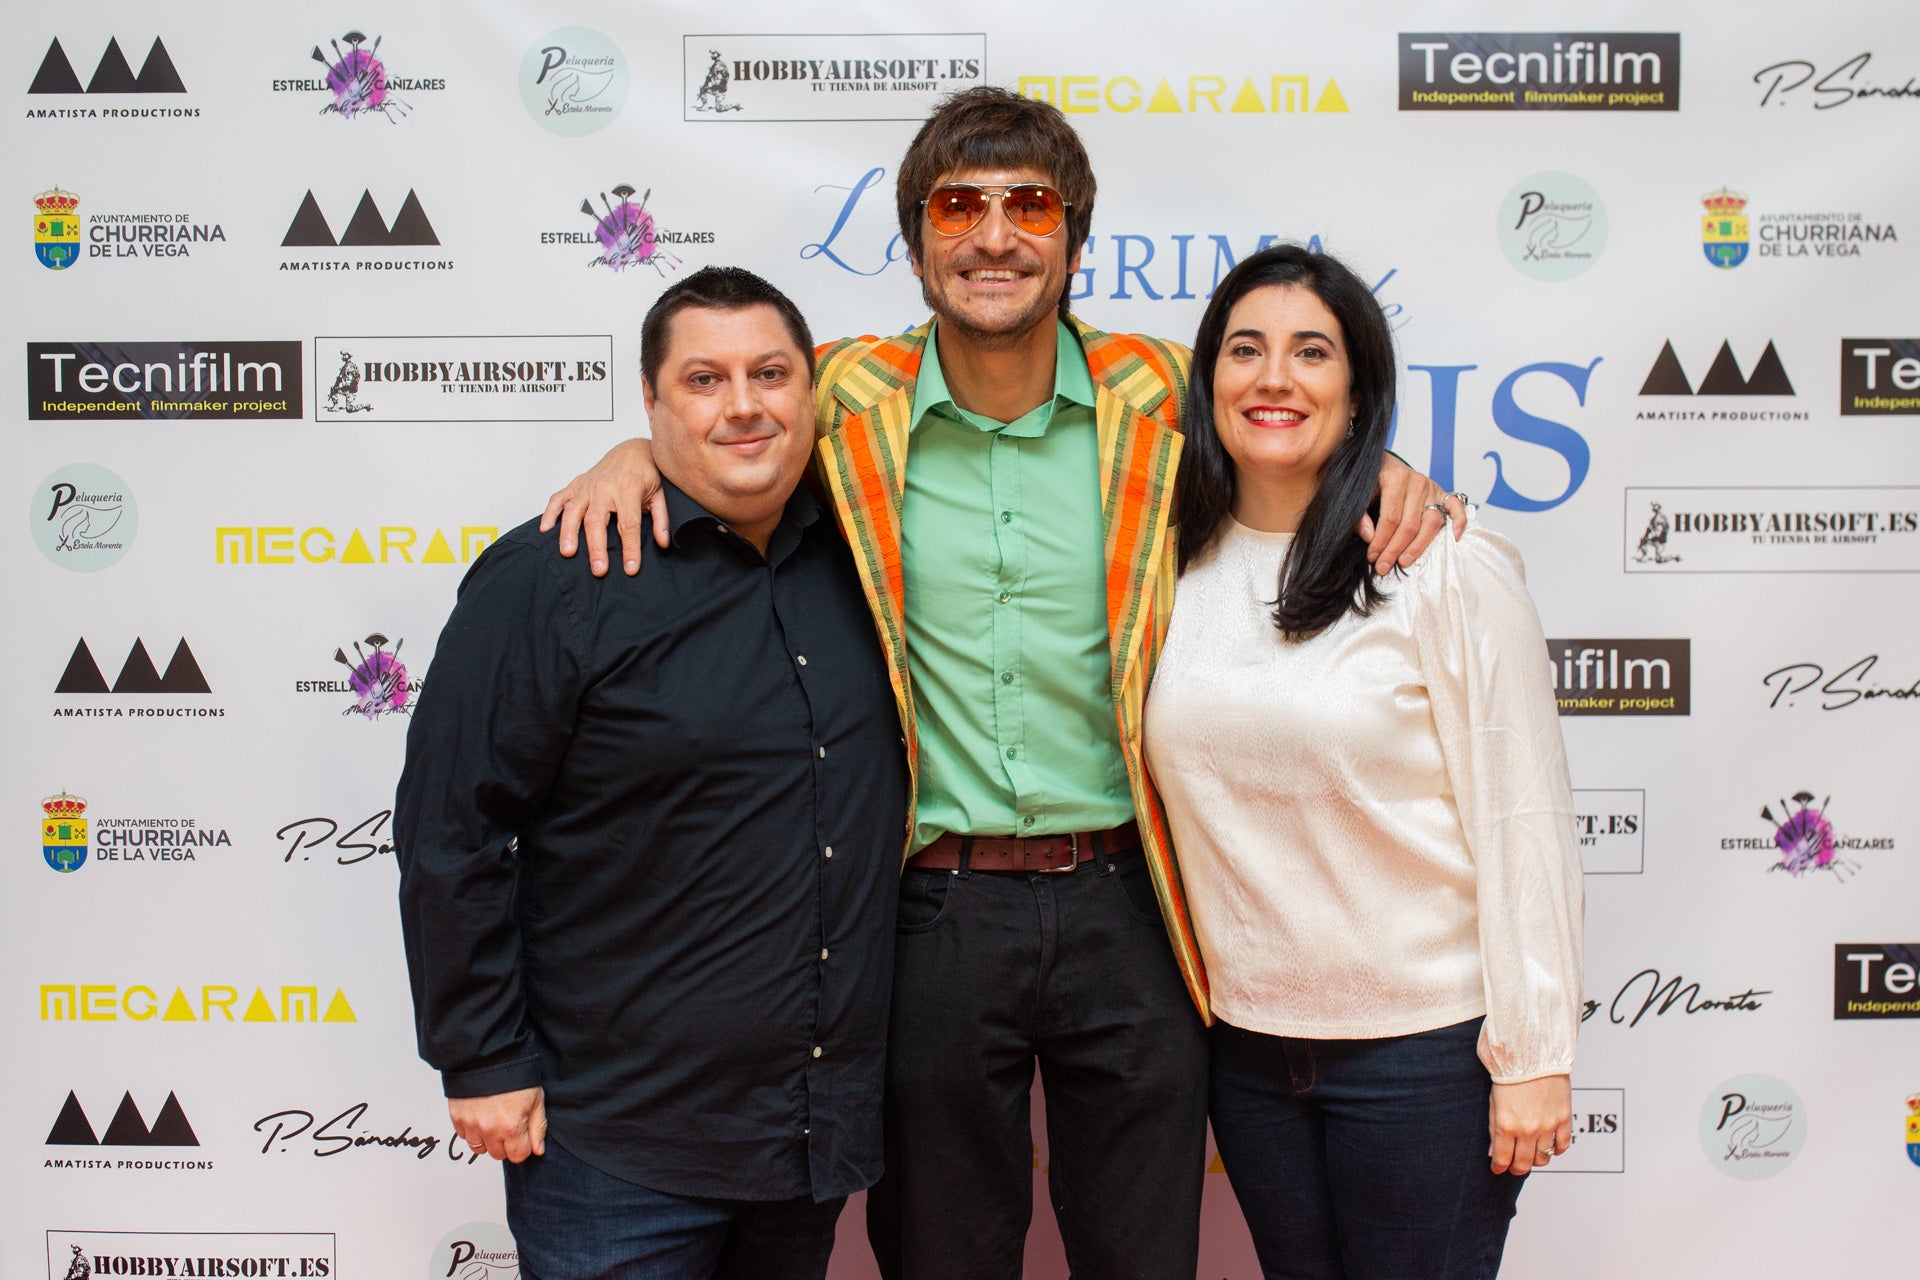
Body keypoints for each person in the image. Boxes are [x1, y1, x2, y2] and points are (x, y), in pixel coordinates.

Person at [540, 88, 1466, 1280]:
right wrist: (629, 453)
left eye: (1029, 205)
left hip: (1134, 901)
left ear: (1075, 240)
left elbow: (1288, 416)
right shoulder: (844, 399)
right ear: (917, 240)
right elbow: (724, 409)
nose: (993, 235)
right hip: (931, 915)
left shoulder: (1157, 399)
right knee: (940, 1254)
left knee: (1141, 1256)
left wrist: (1385, 466)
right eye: (958, 206)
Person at [393, 267, 908, 1280]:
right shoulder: (555, 576)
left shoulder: (871, 560)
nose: (744, 404)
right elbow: (453, 824)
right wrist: (482, 1057)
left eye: (770, 373)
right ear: (651, 401)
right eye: (704, 380)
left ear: (812, 391)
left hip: (808, 1138)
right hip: (616, 1143)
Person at [1143, 244, 1583, 1280]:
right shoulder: (1167, 563)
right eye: (1245, 349)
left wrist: (1535, 1057)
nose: (1275, 377)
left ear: (1358, 387)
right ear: (1208, 381)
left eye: (1311, 351)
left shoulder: (1443, 564)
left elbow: (1522, 813)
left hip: (1426, 1050)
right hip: (1247, 1049)